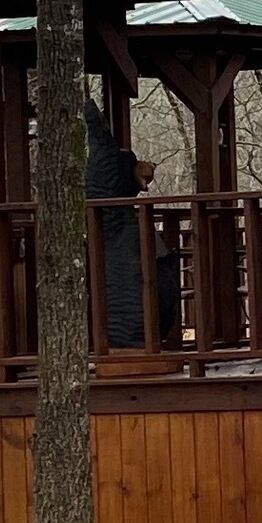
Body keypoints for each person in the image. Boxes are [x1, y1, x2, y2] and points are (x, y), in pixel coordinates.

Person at [85, 103, 149, 351]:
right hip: (112, 229)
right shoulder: (110, 161)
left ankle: (126, 338)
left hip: (113, 229)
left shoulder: (108, 160)